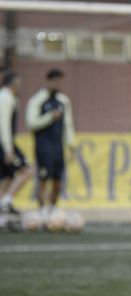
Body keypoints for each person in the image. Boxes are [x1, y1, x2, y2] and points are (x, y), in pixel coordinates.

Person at [26, 68, 76, 220]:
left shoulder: (63, 101)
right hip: (43, 146)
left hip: (58, 147)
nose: (58, 84)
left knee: (58, 182)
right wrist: (49, 117)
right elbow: (31, 123)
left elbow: (68, 125)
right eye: (55, 81)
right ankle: (41, 210)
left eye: (60, 81)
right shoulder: (37, 100)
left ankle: (53, 209)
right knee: (43, 179)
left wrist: (71, 146)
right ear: (48, 81)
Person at [0, 70, 34, 226]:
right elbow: (3, 123)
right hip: (4, 144)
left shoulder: (7, 97)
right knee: (27, 170)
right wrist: (8, 148)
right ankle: (6, 201)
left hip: (5, 143)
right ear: (13, 83)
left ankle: (2, 217)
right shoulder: (6, 98)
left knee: (6, 178)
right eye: (19, 84)